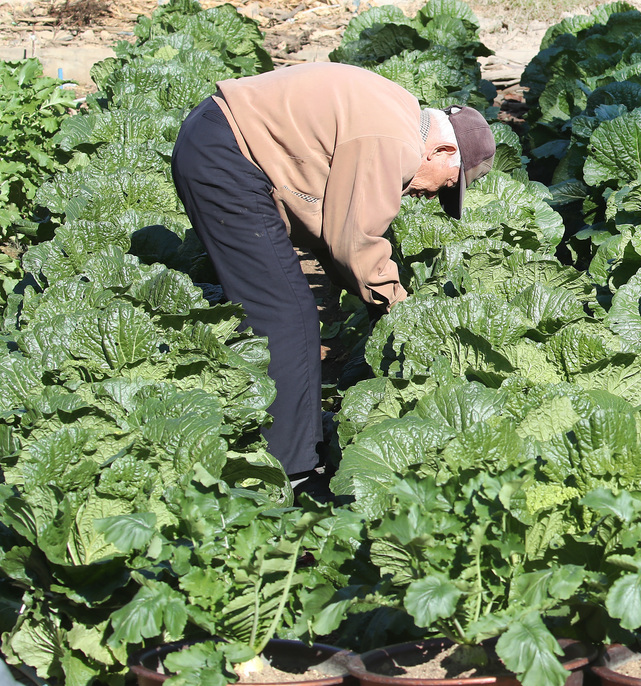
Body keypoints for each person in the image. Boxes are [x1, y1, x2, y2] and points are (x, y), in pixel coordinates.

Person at [170, 62, 496, 483]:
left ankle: (282, 440)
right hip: (226, 156)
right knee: (285, 318)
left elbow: (329, 230)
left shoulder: (396, 110)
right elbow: (353, 242)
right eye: (446, 185)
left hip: (216, 139)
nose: (429, 195)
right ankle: (291, 472)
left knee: (287, 310)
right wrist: (398, 311)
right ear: (442, 152)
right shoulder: (390, 139)